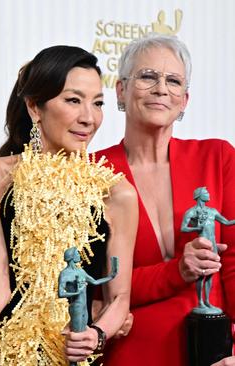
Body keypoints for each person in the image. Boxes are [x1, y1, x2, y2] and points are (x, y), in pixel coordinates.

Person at [0, 45, 137, 364]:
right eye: (73, 100)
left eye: (97, 103)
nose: (89, 117)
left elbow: (119, 298)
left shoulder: (116, 193)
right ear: (34, 107)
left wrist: (95, 335)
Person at [95, 33, 235, 365]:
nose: (161, 88)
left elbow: (233, 262)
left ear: (184, 100)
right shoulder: (93, 171)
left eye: (173, 81)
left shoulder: (218, 157)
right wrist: (177, 271)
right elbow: (100, 289)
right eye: (147, 76)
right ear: (120, 90)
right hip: (132, 352)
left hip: (216, 353)